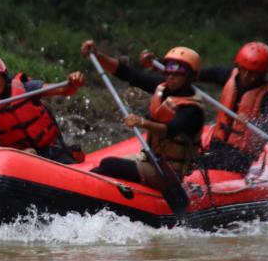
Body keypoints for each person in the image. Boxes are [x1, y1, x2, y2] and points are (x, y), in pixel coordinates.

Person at [80, 40, 205, 190]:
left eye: (178, 74)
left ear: (191, 77)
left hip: (168, 173)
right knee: (100, 169)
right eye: (168, 72)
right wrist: (99, 56)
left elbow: (170, 130)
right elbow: (129, 74)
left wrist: (142, 122)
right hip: (150, 159)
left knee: (109, 164)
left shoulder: (192, 110)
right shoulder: (163, 88)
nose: (171, 77)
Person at [0, 54, 85, 164]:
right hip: (21, 158)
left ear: (3, 75)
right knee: (31, 153)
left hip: (51, 150)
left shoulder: (26, 87)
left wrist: (73, 83)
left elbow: (64, 90)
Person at [198, 41, 268, 173]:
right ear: (238, 66)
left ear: (263, 73)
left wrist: (252, 122)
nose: (247, 77)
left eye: (253, 73)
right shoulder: (226, 75)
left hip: (241, 156)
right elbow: (189, 73)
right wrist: (159, 63)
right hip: (216, 145)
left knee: (203, 162)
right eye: (244, 70)